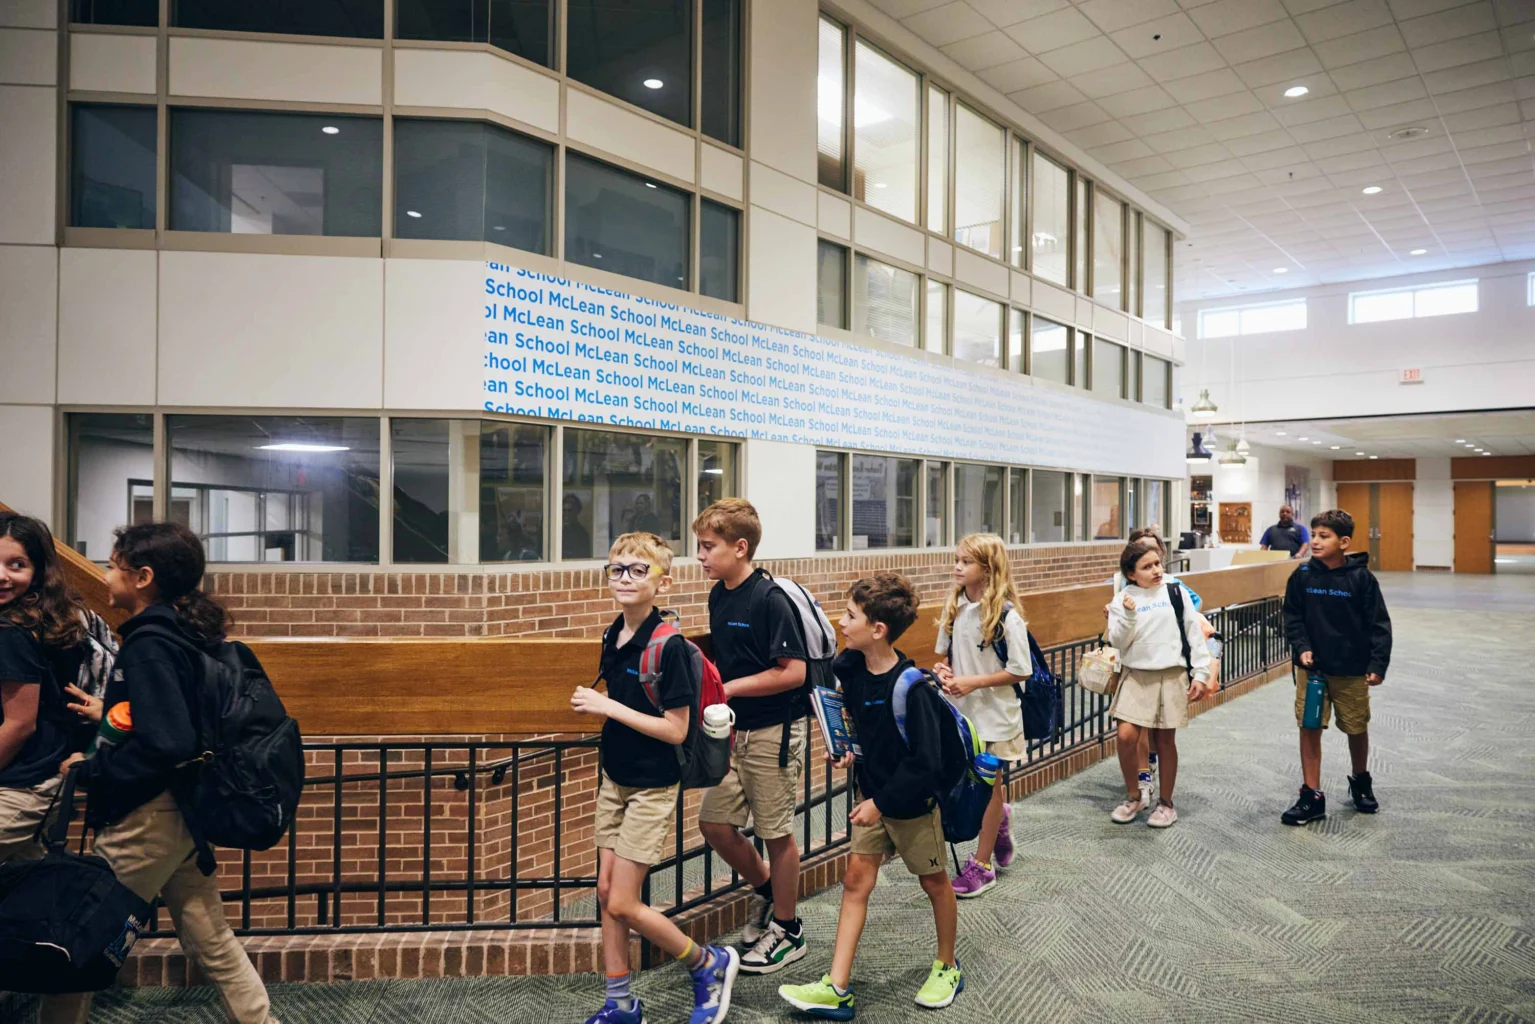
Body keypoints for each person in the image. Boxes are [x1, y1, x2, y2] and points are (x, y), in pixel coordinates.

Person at [40, 523, 280, 1024]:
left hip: (144, 819)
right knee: (210, 938)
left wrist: (92, 766)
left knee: (81, 934)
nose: (105, 576)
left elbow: (169, 741)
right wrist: (110, 708)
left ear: (143, 576)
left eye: (112, 565)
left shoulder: (148, 644)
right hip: (181, 813)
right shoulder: (181, 633)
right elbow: (172, 717)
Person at [570, 532, 739, 1024]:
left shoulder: (668, 648)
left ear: (664, 584)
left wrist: (606, 707)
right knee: (605, 893)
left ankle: (707, 963)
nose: (624, 578)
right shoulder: (613, 634)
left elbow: (675, 729)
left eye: (638, 570)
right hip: (614, 779)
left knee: (623, 900)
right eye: (616, 569)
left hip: (651, 786)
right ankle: (620, 1002)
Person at [777, 573, 961, 1018]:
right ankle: (838, 987)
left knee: (934, 883)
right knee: (856, 883)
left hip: (912, 806)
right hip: (873, 798)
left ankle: (947, 965)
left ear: (878, 629)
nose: (841, 622)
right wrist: (847, 751)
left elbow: (927, 764)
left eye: (851, 616)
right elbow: (862, 726)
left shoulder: (913, 688)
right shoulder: (850, 667)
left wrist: (880, 803)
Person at [693, 499, 811, 975]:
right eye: (699, 547)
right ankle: (767, 891)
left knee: (776, 832)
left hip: (775, 731)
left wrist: (728, 687)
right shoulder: (719, 594)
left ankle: (788, 928)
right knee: (714, 824)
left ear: (740, 548)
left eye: (708, 547)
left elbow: (794, 672)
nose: (699, 556)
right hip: (733, 732)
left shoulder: (770, 599)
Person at [1280, 509, 1392, 826]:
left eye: (1323, 536)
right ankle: (1311, 795)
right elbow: (1293, 618)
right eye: (1313, 535)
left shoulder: (1361, 579)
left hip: (1352, 669)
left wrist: (1377, 663)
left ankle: (1361, 781)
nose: (1315, 541)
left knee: (1356, 726)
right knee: (1309, 725)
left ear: (1343, 542)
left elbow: (1379, 624)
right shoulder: (1302, 577)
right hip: (1312, 671)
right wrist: (1302, 648)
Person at [932, 533, 1029, 899]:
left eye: (965, 562)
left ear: (987, 570)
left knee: (989, 786)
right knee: (971, 785)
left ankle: (982, 865)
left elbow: (1021, 670)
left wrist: (974, 682)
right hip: (963, 715)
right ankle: (999, 821)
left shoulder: (1007, 615)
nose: (957, 567)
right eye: (956, 559)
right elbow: (946, 658)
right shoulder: (955, 607)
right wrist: (944, 673)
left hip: (996, 716)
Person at [1108, 529, 1220, 810]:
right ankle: (1134, 795)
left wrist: (1201, 673)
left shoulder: (1175, 590)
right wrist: (1129, 615)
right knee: (1126, 736)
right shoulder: (1122, 599)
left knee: (1165, 740)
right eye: (1147, 567)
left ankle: (1165, 803)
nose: (1156, 570)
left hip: (1171, 673)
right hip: (1136, 675)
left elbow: (1193, 634)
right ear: (1131, 574)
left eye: (1157, 563)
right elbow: (1119, 641)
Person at [0, 513, 83, 866]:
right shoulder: (41, 618)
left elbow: (19, 724)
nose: (1, 576)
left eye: (16, 564)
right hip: (41, 777)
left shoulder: (10, 631)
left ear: (38, 570)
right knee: (28, 891)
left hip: (23, 785)